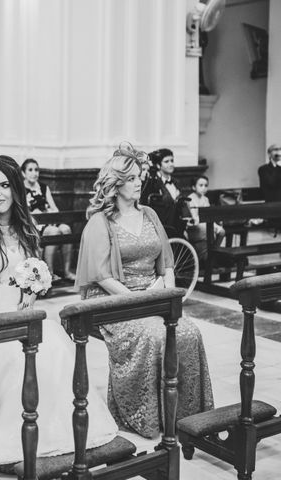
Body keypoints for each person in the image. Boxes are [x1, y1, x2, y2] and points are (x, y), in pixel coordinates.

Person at [0, 156, 118, 468]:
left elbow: (29, 275)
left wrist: (30, 293)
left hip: (16, 318)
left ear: (16, 188)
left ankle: (51, 436)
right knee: (12, 362)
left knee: (56, 350)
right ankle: (12, 438)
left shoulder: (26, 227)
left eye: (4, 185)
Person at [75, 144, 214, 439]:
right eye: (132, 178)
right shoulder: (101, 222)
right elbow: (102, 275)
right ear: (115, 183)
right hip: (116, 300)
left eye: (140, 177)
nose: (139, 182)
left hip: (154, 296)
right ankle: (149, 417)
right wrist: (139, 300)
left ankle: (189, 417)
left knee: (189, 333)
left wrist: (168, 295)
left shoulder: (149, 214)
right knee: (156, 337)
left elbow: (167, 263)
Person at [21, 158, 75, 281]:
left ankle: (67, 271)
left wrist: (50, 213)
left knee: (66, 229)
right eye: (30, 170)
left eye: (36, 170)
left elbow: (55, 208)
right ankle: (49, 273)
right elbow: (23, 212)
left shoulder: (44, 187)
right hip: (34, 224)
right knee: (54, 232)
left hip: (49, 219)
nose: (34, 173)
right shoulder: (20, 189)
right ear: (23, 173)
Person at [140, 148, 186, 237]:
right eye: (166, 161)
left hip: (177, 225)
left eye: (172, 161)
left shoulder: (176, 183)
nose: (171, 164)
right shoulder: (152, 183)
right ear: (158, 165)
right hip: (161, 225)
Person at [186, 175, 225, 260]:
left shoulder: (206, 199)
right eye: (201, 185)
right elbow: (194, 217)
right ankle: (208, 257)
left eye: (206, 186)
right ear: (193, 187)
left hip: (206, 223)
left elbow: (208, 215)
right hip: (195, 226)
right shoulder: (190, 199)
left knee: (222, 231)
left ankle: (214, 252)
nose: (203, 188)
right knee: (209, 231)